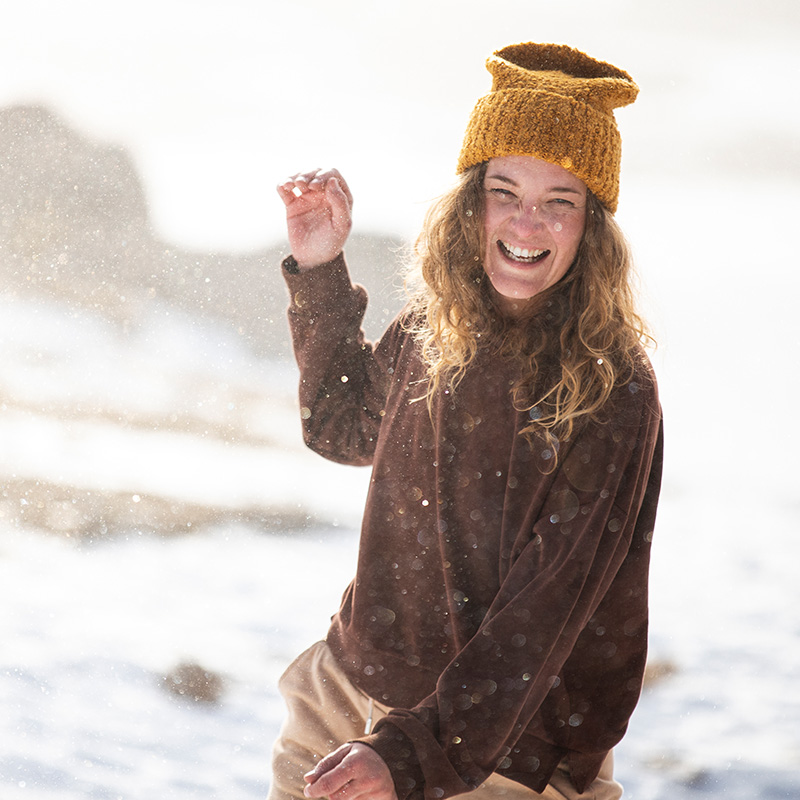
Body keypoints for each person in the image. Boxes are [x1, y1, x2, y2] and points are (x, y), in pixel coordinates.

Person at [271, 42, 663, 800]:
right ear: (470, 201)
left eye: (560, 201)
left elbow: (545, 607)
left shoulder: (612, 388)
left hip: (500, 750)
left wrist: (412, 755)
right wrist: (321, 272)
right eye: (504, 190)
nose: (526, 222)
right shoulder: (434, 326)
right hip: (344, 699)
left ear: (593, 227)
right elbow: (342, 428)